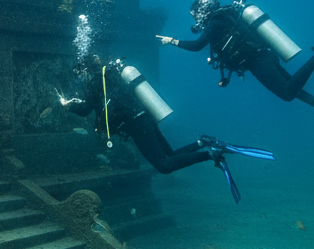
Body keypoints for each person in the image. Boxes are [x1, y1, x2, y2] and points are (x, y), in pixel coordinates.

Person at [158, 0, 314, 153]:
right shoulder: (224, 18)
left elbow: (197, 46)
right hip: (263, 56)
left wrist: (172, 41)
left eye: (194, 14)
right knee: (289, 85)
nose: (195, 19)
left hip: (257, 61)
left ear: (202, 11)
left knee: (286, 93)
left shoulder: (215, 22)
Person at [59, 57, 272, 201]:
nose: (81, 78)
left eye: (80, 74)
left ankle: (210, 153)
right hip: (146, 117)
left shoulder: (95, 81)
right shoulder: (112, 76)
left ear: (85, 70)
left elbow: (87, 109)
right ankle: (203, 142)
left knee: (163, 165)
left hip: (135, 124)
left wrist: (68, 106)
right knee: (169, 155)